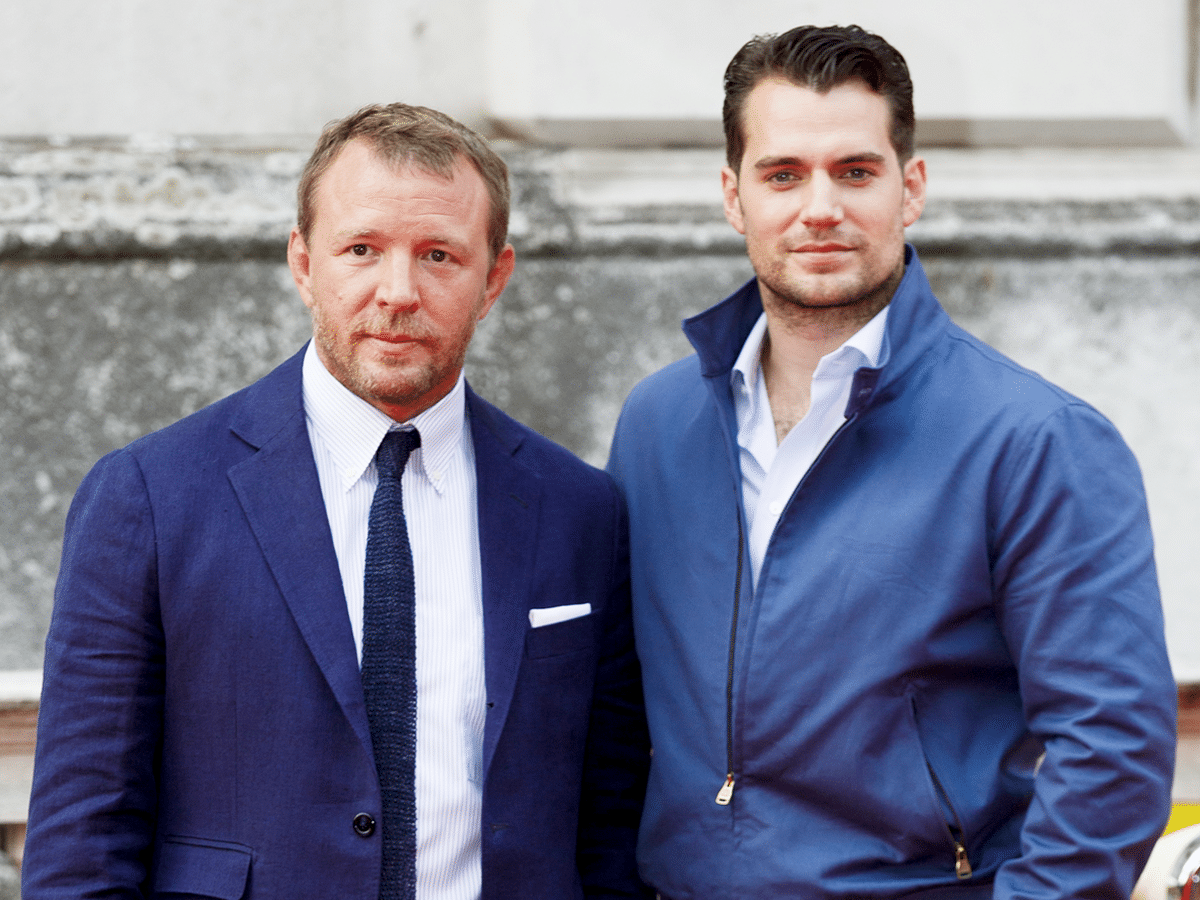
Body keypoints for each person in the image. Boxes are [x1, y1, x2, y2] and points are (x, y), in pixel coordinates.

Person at [24, 103, 651, 900]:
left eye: (439, 255)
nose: (399, 291)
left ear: (494, 279)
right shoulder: (149, 497)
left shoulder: (581, 511)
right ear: (302, 262)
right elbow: (84, 836)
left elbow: (609, 823)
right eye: (362, 249)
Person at [606, 24, 1176, 899]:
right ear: (734, 196)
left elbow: (1111, 751)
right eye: (783, 174)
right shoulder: (657, 424)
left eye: (856, 171)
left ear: (910, 189)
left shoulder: (1035, 440)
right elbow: (617, 714)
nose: (820, 206)